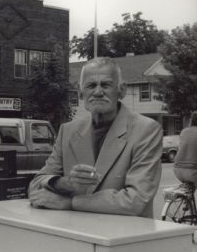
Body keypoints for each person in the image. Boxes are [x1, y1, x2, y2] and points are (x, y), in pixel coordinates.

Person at [28, 57, 163, 218]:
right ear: (80, 92)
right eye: (91, 85)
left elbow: (136, 200)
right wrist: (66, 184)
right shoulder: (68, 131)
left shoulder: (146, 130)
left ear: (122, 90)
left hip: (125, 236)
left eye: (106, 85)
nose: (98, 92)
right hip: (77, 235)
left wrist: (71, 203)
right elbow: (35, 186)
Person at [172, 112, 197, 185]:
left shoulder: (184, 131)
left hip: (177, 169)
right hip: (192, 171)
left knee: (190, 190)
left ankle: (187, 195)